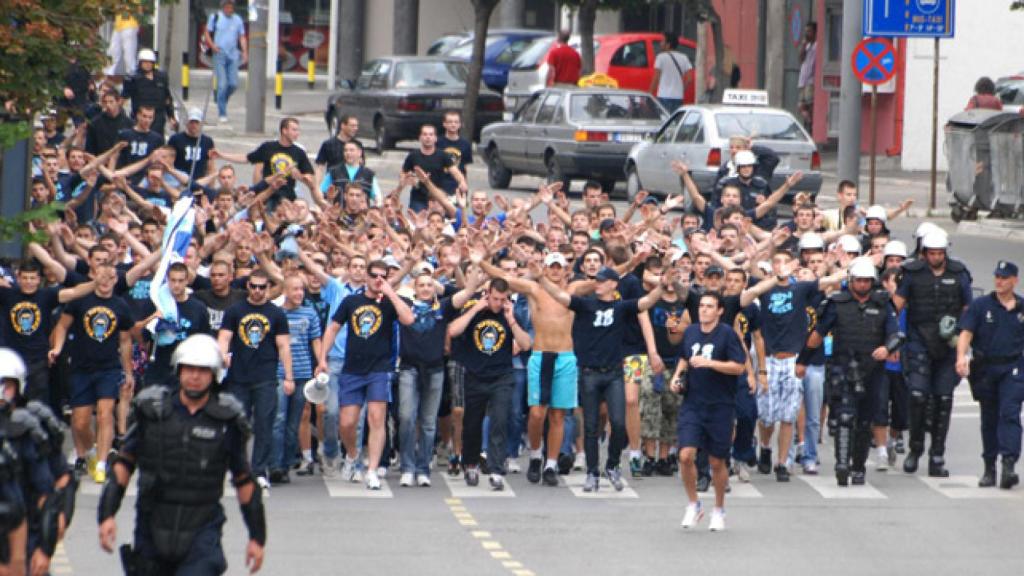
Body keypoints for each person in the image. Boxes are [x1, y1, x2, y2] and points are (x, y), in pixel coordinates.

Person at [97, 334, 266, 575]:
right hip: (152, 526)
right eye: (189, 369)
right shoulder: (152, 412)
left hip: (201, 530)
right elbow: (124, 465)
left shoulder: (227, 420)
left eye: (202, 370)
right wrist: (106, 515)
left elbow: (244, 481)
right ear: (178, 370)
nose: (195, 376)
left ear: (213, 374)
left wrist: (257, 538)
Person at [538, 265, 668, 492]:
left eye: (601, 280)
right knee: (590, 426)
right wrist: (541, 276)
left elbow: (645, 303)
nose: (596, 283)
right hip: (588, 373)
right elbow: (559, 295)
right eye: (595, 279)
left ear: (613, 284)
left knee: (618, 424)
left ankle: (613, 465)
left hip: (614, 373)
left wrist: (662, 286)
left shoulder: (621, 307)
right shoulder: (585, 304)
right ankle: (591, 472)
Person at [474, 246, 579, 488]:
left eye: (558, 267)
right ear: (545, 269)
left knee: (557, 415)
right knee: (536, 413)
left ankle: (550, 464)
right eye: (550, 266)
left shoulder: (573, 290)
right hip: (541, 355)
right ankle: (535, 455)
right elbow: (504, 278)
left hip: (565, 356)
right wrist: (480, 262)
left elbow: (606, 281)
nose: (554, 271)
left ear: (565, 270)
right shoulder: (534, 289)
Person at [319, 259, 415, 490]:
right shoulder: (351, 301)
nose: (378, 279)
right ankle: (352, 455)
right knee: (347, 423)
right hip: (352, 368)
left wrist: (390, 292)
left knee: (376, 419)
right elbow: (333, 328)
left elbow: (408, 319)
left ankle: (371, 469)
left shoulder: (390, 302)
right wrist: (322, 358)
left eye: (383, 275)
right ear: (366, 277)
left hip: (379, 368)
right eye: (374, 275)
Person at [809, 258, 902, 486]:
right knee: (844, 416)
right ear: (851, 280)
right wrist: (803, 360)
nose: (862, 284)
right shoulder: (837, 303)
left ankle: (858, 466)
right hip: (843, 366)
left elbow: (896, 334)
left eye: (866, 281)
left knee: (864, 421)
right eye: (858, 280)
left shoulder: (882, 304)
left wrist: (886, 348)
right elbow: (818, 334)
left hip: (873, 371)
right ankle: (842, 464)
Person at [894, 231, 972, 477]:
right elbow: (896, 305)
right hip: (918, 341)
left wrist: (962, 339)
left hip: (948, 345)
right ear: (925, 253)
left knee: (943, 399)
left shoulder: (959, 273)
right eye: (932, 253)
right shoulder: (912, 273)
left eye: (940, 253)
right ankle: (915, 448)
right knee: (917, 396)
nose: (936, 257)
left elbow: (969, 309)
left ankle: (937, 454)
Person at [48, 263, 134, 484]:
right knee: (79, 422)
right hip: (80, 367)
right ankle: (90, 454)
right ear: (94, 276)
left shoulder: (121, 305)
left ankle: (103, 463)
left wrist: (128, 372)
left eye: (111, 277)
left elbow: (125, 341)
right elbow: (62, 326)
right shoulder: (80, 301)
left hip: (108, 368)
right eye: (102, 276)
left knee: (106, 414)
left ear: (116, 280)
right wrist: (57, 348)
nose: (106, 281)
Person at [671, 292, 747, 532]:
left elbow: (738, 367)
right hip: (693, 403)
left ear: (720, 310)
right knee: (685, 455)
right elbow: (685, 357)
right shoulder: (691, 331)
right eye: (702, 306)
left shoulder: (727, 334)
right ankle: (693, 504)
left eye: (709, 306)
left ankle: (719, 508)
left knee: (716, 461)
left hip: (720, 405)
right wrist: (676, 377)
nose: (704, 310)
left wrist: (710, 363)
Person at [447, 278, 532, 490]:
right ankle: (471, 464)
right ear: (487, 294)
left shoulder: (510, 314)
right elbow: (452, 331)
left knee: (500, 421)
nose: (498, 303)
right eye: (495, 299)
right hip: (475, 375)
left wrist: (511, 320)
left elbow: (526, 344)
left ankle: (495, 470)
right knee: (472, 424)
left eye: (503, 299)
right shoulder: (475, 310)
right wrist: (475, 309)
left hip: (501, 376)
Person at [397, 271, 477, 487]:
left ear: (435, 289)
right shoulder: (405, 305)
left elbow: (468, 292)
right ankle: (407, 467)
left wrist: (476, 264)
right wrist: (408, 265)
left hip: (434, 370)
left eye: (429, 285)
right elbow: (387, 287)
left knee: (429, 423)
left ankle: (423, 468)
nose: (425, 288)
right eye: (421, 285)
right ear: (414, 288)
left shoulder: (442, 307)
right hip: (408, 369)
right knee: (406, 417)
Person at [217, 269, 293, 490]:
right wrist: (222, 355)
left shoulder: (276, 314)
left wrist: (288, 377)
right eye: (254, 286)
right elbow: (224, 337)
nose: (258, 291)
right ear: (247, 287)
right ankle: (239, 470)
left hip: (266, 377)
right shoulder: (234, 310)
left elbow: (283, 346)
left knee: (265, 424)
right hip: (239, 377)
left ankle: (259, 470)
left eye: (262, 287)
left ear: (268, 288)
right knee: (238, 426)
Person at [956, 260, 1023, 489]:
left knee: (1010, 413)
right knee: (989, 418)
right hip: (985, 368)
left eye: (1004, 278)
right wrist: (961, 357)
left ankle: (1009, 464)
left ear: (1014, 280)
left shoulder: (1022, 307)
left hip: (1013, 367)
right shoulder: (981, 305)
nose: (999, 281)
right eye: (997, 276)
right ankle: (989, 467)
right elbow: (966, 333)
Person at [0, 348, 63, 576]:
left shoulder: (27, 430)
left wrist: (44, 549)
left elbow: (47, 493)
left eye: (6, 386)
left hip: (23, 536)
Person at [0, 260, 95, 405]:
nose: (28, 282)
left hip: (38, 358)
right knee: (9, 400)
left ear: (39, 279)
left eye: (32, 278)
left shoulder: (46, 295)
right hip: (13, 359)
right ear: (18, 278)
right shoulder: (7, 294)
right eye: (25, 278)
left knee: (37, 403)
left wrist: (98, 282)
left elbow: (74, 292)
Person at [269, 275, 324, 486]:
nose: (299, 293)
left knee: (294, 422)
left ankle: (285, 464)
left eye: (302, 289)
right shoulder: (277, 313)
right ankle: (274, 465)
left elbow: (315, 341)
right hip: (280, 372)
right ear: (285, 291)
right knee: (279, 420)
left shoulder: (309, 313)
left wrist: (320, 363)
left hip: (303, 373)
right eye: (294, 289)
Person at [135, 262, 211, 386]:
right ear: (167, 280)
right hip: (159, 369)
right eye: (173, 280)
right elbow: (137, 334)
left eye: (181, 281)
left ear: (187, 281)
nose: (176, 285)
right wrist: (151, 319)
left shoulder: (198, 308)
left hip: (187, 369)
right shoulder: (156, 304)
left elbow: (205, 340)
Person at [215, 118, 315, 206]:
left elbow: (310, 179)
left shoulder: (299, 152)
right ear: (284, 131)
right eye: (294, 130)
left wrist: (299, 176)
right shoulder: (268, 147)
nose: (297, 133)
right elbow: (246, 158)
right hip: (267, 196)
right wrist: (222, 155)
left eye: (298, 130)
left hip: (287, 197)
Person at [401, 124, 466, 212]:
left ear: (435, 138)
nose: (428, 137)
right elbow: (403, 173)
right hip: (418, 198)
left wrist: (462, 181)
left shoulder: (443, 155)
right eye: (425, 134)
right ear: (420, 137)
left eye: (431, 135)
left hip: (438, 197)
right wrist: (408, 179)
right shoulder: (413, 156)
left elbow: (455, 172)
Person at [203, 0, 248, 124]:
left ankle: (220, 98)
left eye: (231, 6)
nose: (230, 9)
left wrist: (244, 51)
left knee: (233, 84)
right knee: (222, 83)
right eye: (227, 6)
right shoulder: (215, 17)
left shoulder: (237, 20)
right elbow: (207, 33)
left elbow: (241, 36)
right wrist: (212, 46)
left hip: (233, 54)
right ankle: (222, 112)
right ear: (223, 7)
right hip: (219, 54)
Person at [122, 49, 177, 135]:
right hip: (140, 116)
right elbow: (123, 98)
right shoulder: (133, 78)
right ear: (140, 63)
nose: (148, 65)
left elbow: (167, 98)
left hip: (158, 117)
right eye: (145, 62)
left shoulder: (161, 77)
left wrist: (171, 116)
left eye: (150, 62)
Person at [168, 108, 216, 179]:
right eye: (191, 122)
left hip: (199, 181)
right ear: (187, 122)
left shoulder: (207, 141)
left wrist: (210, 187)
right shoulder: (175, 139)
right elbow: (169, 162)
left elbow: (210, 166)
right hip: (179, 180)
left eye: (197, 122)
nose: (194, 125)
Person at [650, 33, 692, 111]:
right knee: (675, 121)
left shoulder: (660, 57)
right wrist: (681, 90)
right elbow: (689, 79)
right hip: (678, 97)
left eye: (662, 41)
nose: (660, 43)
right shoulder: (684, 57)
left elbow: (656, 78)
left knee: (665, 121)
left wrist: (650, 94)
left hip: (663, 96)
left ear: (668, 44)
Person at [798, 22, 817, 129]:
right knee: (801, 106)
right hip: (803, 80)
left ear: (815, 32)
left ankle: (810, 125)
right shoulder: (807, 45)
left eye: (809, 31)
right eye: (805, 31)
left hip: (811, 80)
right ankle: (808, 122)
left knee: (809, 105)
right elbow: (800, 59)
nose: (806, 34)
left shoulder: (817, 46)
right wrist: (803, 46)